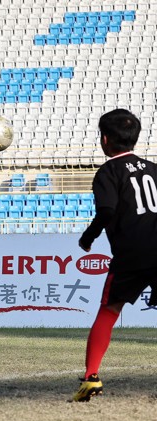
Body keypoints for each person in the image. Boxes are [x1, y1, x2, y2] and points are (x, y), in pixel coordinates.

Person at [73, 109, 157, 402]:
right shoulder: (154, 168)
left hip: (132, 253)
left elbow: (107, 211)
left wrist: (88, 236)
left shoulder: (108, 172)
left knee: (109, 312)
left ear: (105, 140)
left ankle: (91, 377)